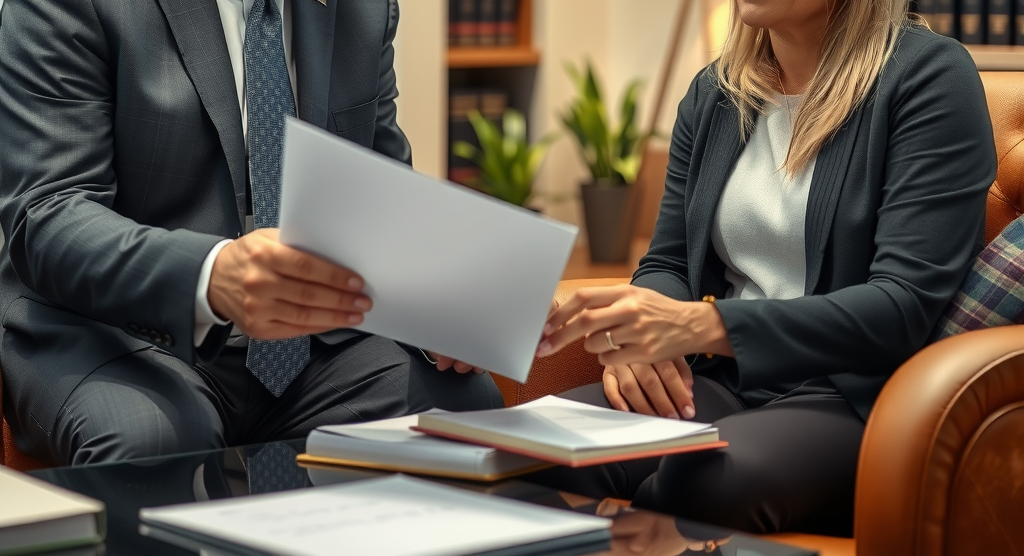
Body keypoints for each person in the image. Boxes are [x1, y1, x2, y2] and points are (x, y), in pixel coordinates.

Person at [533, 0, 997, 536]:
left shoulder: (931, 77)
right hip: (720, 379)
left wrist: (702, 325)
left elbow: (900, 308)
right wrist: (636, 345)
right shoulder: (715, 92)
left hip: (849, 396)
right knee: (535, 452)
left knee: (701, 484)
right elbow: (668, 262)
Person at [0, 0, 502, 466]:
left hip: (312, 342)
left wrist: (444, 305)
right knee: (153, 442)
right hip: (115, 331)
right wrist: (212, 275)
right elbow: (48, 215)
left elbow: (382, 194)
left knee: (462, 411)